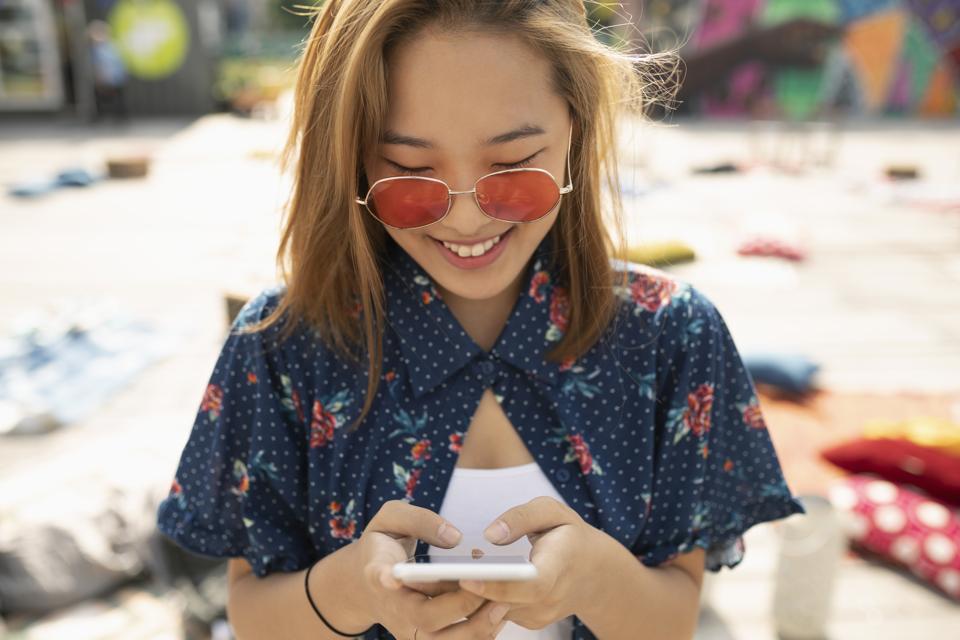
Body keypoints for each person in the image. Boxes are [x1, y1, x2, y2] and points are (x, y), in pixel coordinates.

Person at [155, 1, 805, 639]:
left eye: (514, 163)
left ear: (576, 128)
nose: (466, 218)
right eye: (410, 171)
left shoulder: (672, 337)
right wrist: (353, 590)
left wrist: (595, 579)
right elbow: (251, 615)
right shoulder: (283, 346)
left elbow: (672, 621)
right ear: (350, 157)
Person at [87, 20, 129, 123]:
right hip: (111, 78)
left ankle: (118, 117)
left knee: (115, 99)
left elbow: (115, 64)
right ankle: (104, 117)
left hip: (111, 78)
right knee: (104, 99)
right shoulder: (101, 48)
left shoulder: (107, 48)